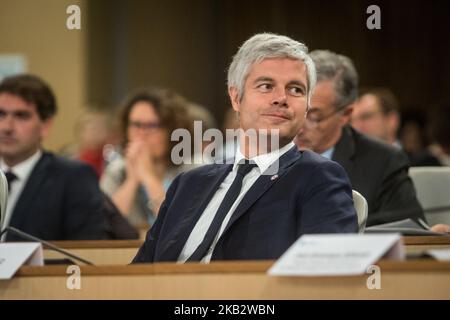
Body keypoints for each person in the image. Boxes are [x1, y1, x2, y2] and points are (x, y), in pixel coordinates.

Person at [132, 33, 357, 264]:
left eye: (296, 89)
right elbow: (138, 272)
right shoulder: (188, 184)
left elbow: (328, 275)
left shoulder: (318, 177)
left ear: (307, 106)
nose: (281, 98)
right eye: (266, 85)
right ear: (236, 97)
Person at [295, 50, 450, 233]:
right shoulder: (267, 150)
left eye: (314, 117)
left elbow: (407, 228)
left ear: (345, 115)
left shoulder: (384, 160)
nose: (299, 126)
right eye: (296, 111)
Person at [0, 74, 108, 241]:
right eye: (1, 114)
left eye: (21, 116)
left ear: (45, 125)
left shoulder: (74, 178)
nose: (7, 127)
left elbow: (87, 250)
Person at [100, 87, 192, 226]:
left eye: (152, 125)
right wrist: (131, 181)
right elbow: (105, 226)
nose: (142, 133)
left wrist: (148, 177)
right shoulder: (117, 170)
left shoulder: (194, 169)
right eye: (136, 125)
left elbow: (179, 225)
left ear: (173, 130)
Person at [352, 88, 440, 166]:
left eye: (366, 117)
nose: (356, 126)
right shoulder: (346, 166)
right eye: (351, 120)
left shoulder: (423, 162)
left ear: (392, 120)